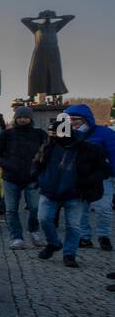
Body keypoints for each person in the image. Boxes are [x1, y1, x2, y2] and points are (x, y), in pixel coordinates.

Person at [33, 108, 113, 266]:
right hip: (50, 192)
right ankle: (54, 242)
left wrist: (87, 181)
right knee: (43, 219)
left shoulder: (90, 148)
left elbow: (104, 169)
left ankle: (70, 254)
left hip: (74, 194)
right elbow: (37, 161)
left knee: (73, 225)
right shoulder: (49, 145)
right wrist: (38, 177)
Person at [0, 105, 47, 249]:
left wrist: (40, 167)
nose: (22, 120)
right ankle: (16, 238)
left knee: (35, 208)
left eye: (26, 117)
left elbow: (48, 153)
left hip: (32, 178)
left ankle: (34, 231)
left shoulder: (39, 134)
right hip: (11, 178)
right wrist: (7, 165)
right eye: (20, 117)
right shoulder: (6, 135)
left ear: (30, 119)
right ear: (15, 118)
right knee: (11, 210)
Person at [66, 104, 115, 251]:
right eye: (70, 119)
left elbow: (113, 153)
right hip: (78, 178)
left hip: (102, 177)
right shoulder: (67, 134)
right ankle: (84, 237)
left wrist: (112, 172)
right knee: (81, 210)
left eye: (75, 119)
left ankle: (104, 236)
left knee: (104, 208)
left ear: (85, 119)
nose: (73, 122)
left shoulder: (105, 133)